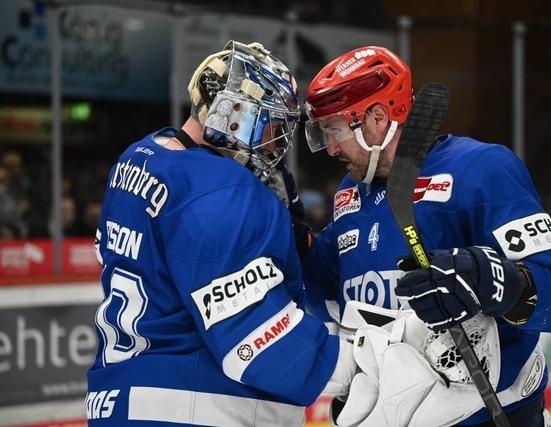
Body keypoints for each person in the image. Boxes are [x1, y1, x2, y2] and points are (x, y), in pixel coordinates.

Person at [302, 46, 551, 426]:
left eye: (335, 129)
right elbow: (327, 298)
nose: (331, 147)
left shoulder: (481, 169)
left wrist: (488, 278)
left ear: (377, 119)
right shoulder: (350, 193)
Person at [86, 41, 356, 426]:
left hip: (122, 400)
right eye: (273, 126)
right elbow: (260, 345)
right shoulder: (224, 191)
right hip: (195, 408)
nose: (275, 145)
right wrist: (368, 363)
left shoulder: (138, 158)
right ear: (234, 114)